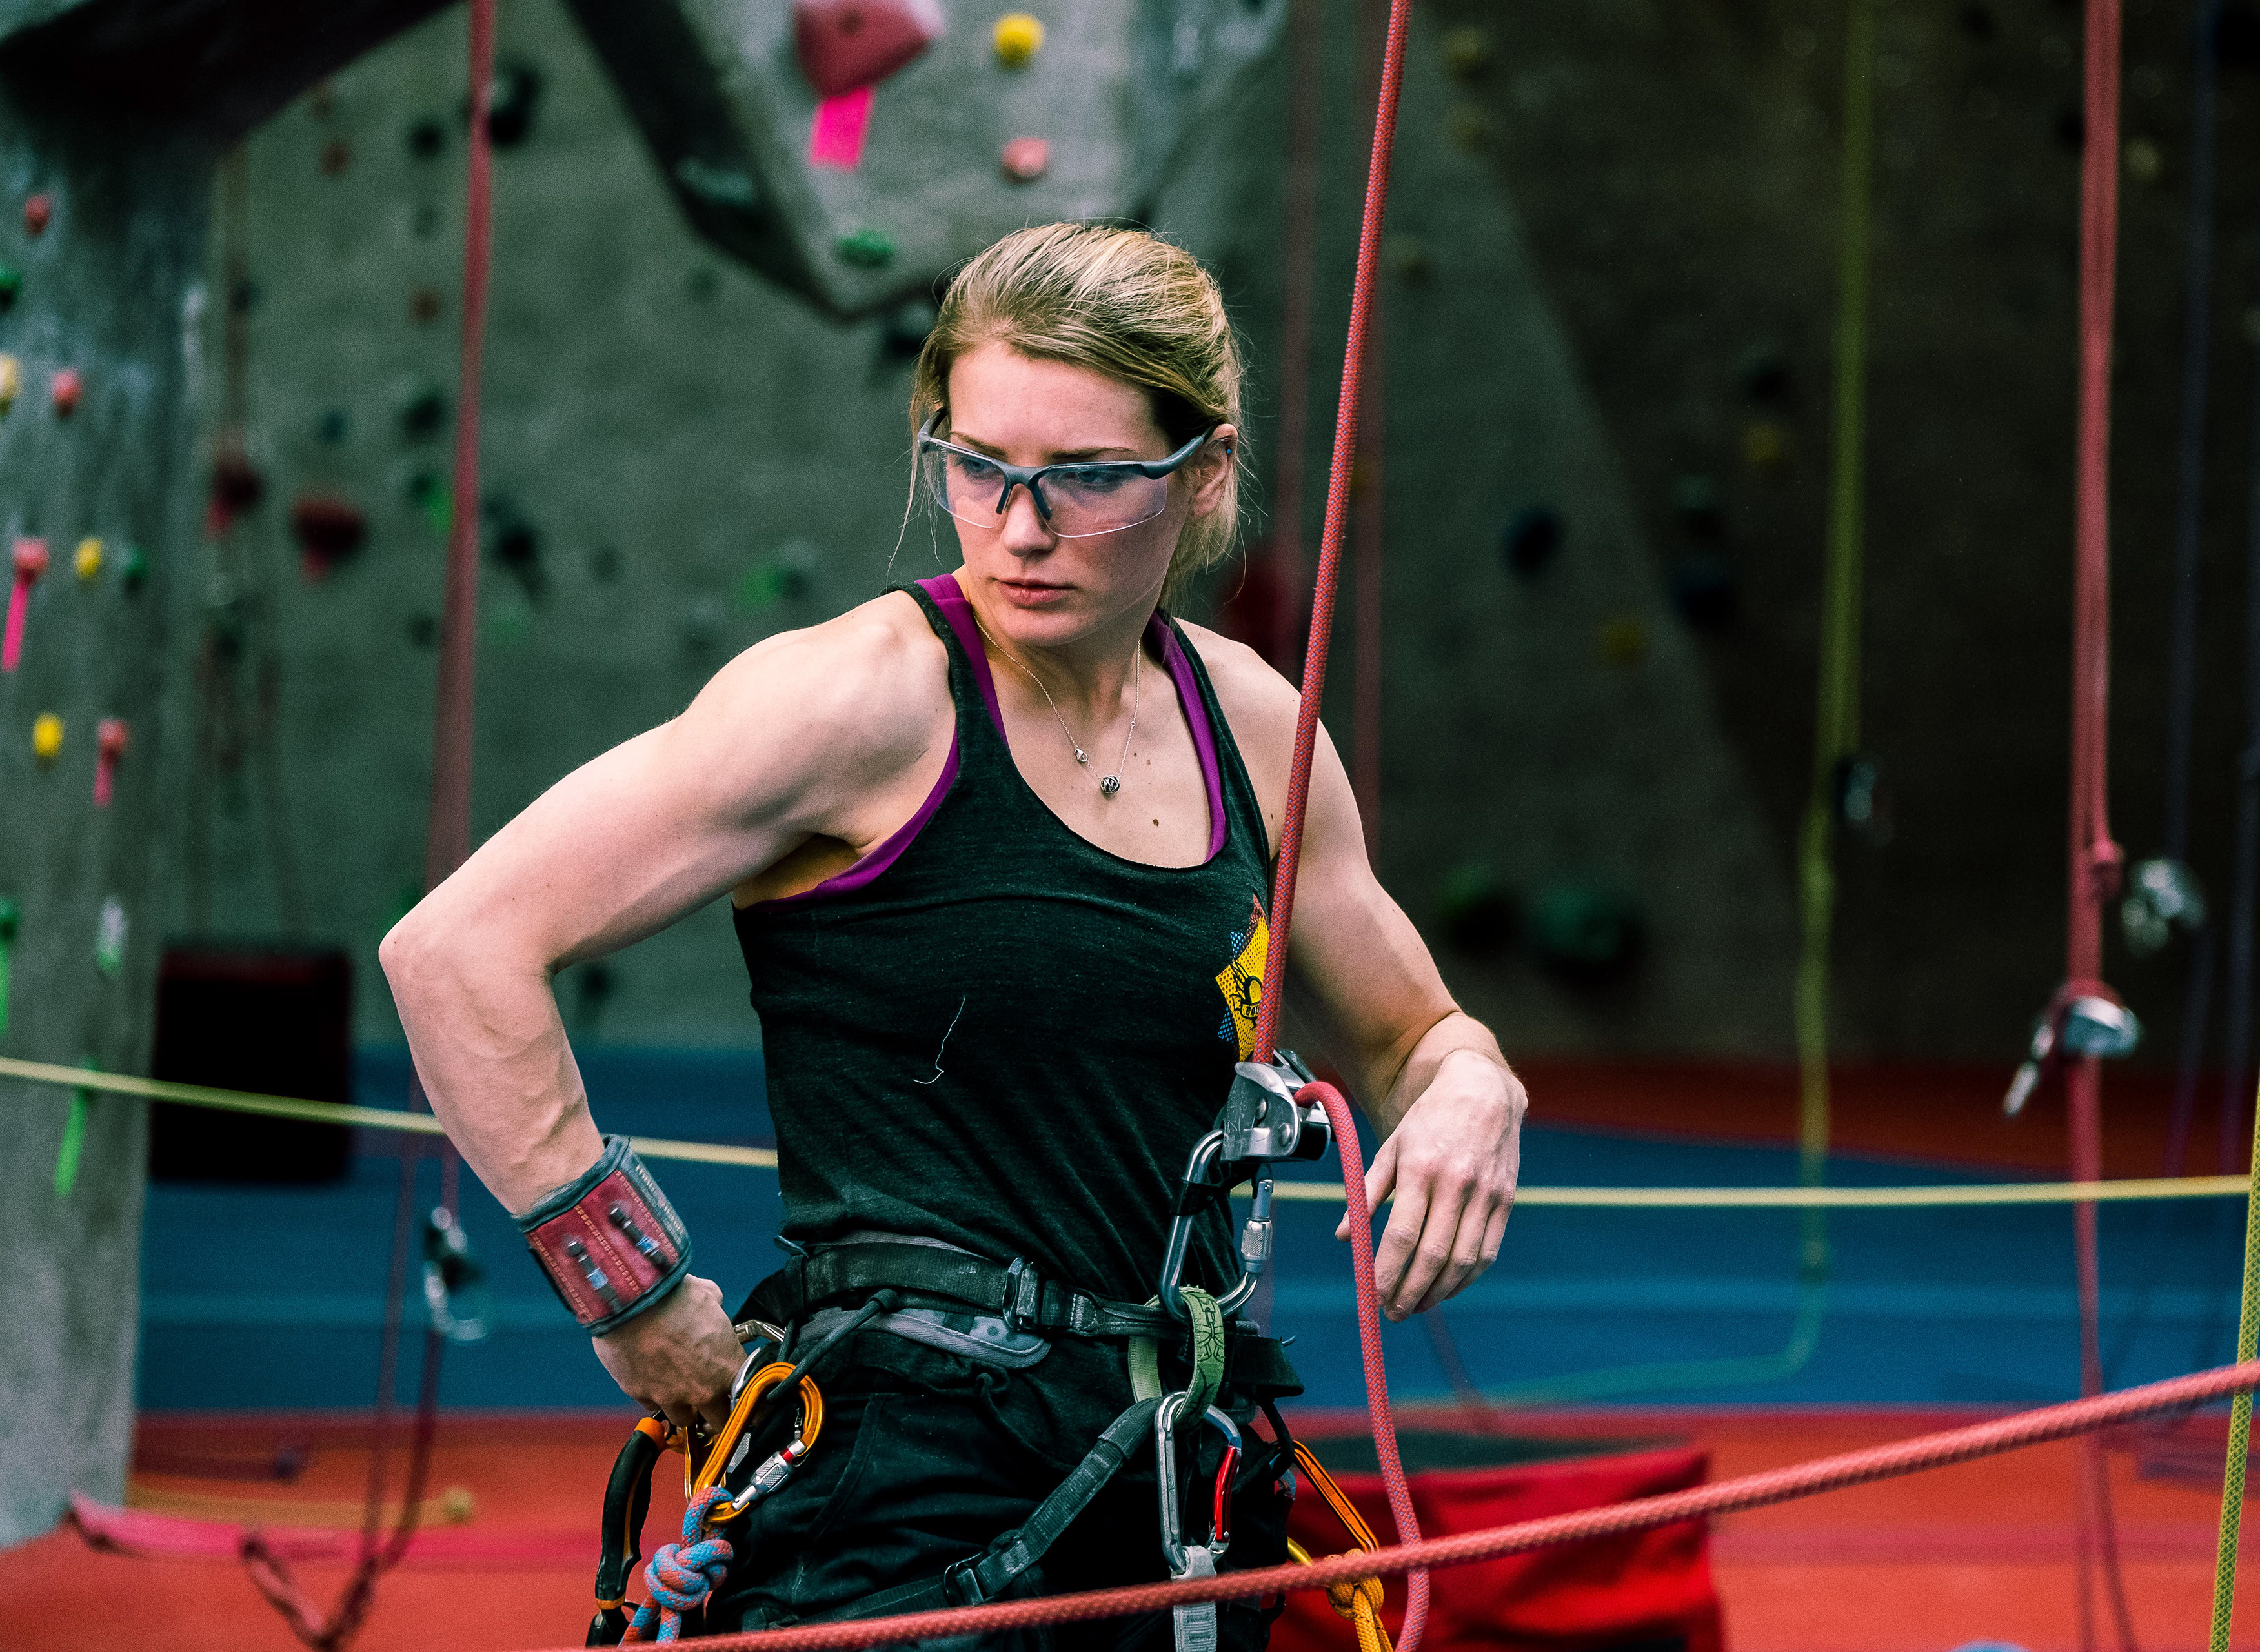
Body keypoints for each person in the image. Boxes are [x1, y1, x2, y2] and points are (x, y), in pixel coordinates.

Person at [381, 221, 1525, 1646]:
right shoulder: (860, 702)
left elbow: (1417, 1038)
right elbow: (456, 949)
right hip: (900, 1488)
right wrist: (633, 1295)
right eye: (979, 468)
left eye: (1087, 477)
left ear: (1204, 470)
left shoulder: (1252, 728)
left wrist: (1473, 1086)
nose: (1020, 528)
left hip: (1178, 1474)